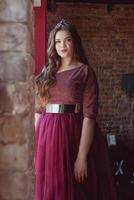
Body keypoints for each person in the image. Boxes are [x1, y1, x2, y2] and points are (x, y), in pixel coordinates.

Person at [34, 19, 117, 200]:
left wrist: (81, 157)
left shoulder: (85, 72)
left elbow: (89, 116)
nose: (62, 45)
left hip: (73, 136)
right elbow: (38, 112)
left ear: (75, 42)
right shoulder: (47, 72)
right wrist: (35, 147)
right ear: (53, 44)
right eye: (58, 41)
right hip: (47, 137)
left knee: (75, 191)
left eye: (67, 40)